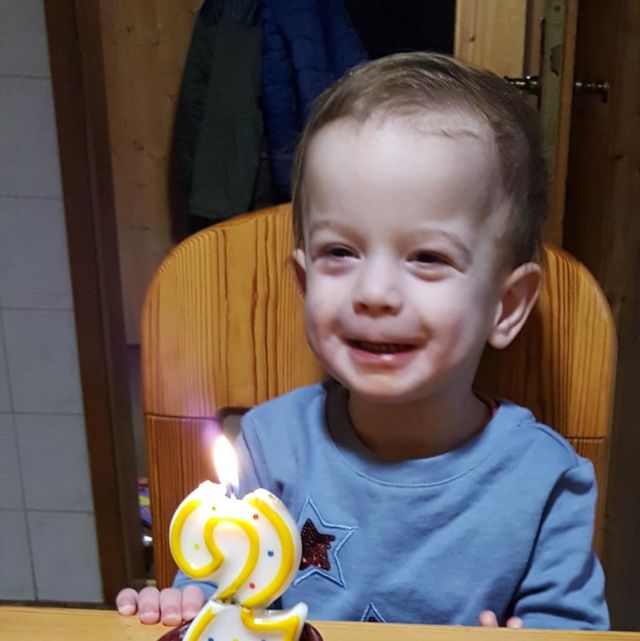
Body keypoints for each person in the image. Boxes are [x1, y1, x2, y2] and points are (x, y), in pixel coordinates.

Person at [117, 52, 609, 629]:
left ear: (506, 307)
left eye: (428, 257)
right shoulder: (270, 445)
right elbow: (216, 586)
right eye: (340, 252)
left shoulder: (545, 480)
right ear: (304, 284)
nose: (374, 292)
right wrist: (181, 604)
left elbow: (572, 629)